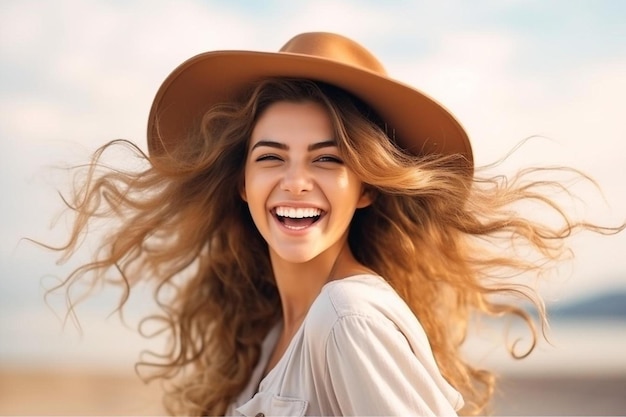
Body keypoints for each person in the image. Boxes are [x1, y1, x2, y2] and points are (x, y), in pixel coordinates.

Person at [45, 32, 623, 416]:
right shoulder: (274, 333)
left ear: (366, 186)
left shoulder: (348, 319)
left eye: (328, 159)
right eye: (271, 157)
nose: (296, 180)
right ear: (241, 185)